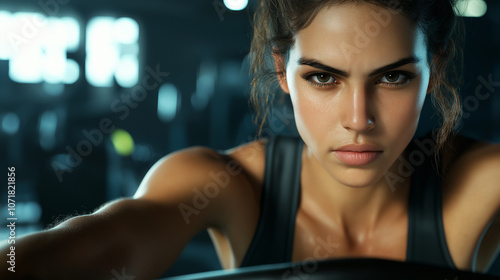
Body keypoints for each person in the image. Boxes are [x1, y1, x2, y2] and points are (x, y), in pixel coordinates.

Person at [1, 0, 499, 279]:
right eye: (324, 78)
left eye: (392, 79)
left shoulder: (482, 181)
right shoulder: (223, 183)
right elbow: (107, 242)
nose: (358, 119)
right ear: (283, 72)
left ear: (431, 70)